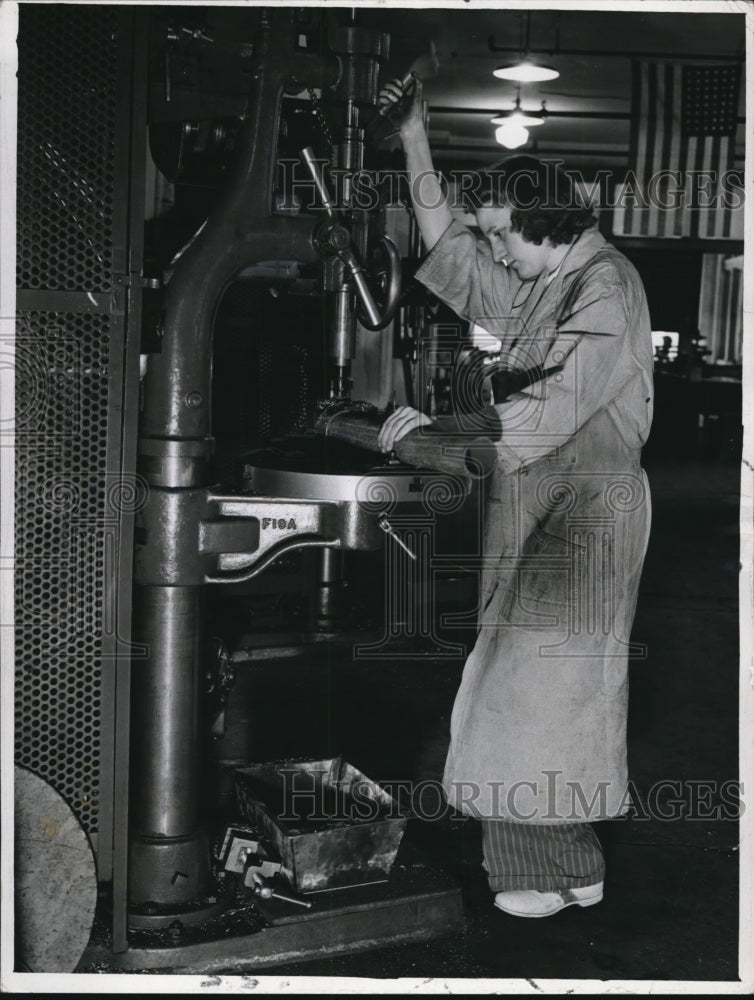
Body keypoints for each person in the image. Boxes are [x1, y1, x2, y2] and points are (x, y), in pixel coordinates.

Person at [377, 77, 654, 918]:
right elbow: (452, 254)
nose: (491, 250)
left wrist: (435, 433)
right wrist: (414, 141)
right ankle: (562, 866)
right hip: (536, 497)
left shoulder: (605, 285)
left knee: (533, 687)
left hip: (589, 511)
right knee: (519, 683)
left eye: (501, 232)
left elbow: (552, 410)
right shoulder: (538, 278)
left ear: (545, 220)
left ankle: (549, 865)